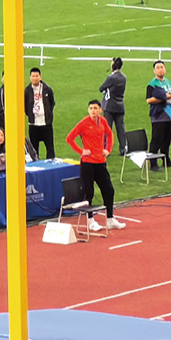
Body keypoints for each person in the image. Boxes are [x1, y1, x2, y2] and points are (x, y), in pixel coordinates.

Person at [66, 101, 126, 231]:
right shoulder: (83, 123)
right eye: (91, 108)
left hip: (100, 162)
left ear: (100, 110)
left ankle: (110, 218)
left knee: (109, 190)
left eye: (95, 108)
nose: (93, 111)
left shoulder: (102, 121)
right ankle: (90, 220)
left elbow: (109, 134)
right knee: (89, 192)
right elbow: (70, 138)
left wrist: (108, 149)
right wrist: (81, 151)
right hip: (87, 163)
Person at [146, 60, 171, 170]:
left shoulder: (169, 82)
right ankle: (153, 163)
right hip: (158, 116)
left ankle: (166, 160)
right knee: (157, 139)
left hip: (169, 115)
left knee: (167, 139)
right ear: (154, 71)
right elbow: (149, 100)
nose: (160, 69)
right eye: (158, 67)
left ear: (165, 69)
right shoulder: (152, 84)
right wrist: (164, 98)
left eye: (162, 67)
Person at [25, 67, 56, 160]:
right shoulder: (27, 91)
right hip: (33, 124)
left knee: (50, 147)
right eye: (33, 76)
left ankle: (51, 164)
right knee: (34, 149)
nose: (35, 78)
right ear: (30, 77)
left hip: (46, 123)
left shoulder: (47, 89)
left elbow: (52, 103)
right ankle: (36, 165)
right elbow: (25, 106)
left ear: (40, 77)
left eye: (36, 76)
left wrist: (48, 113)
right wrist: (30, 114)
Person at [99, 57, 127, 155]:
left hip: (110, 106)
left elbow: (101, 88)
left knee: (107, 129)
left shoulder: (111, 78)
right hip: (120, 106)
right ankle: (123, 149)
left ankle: (105, 149)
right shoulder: (123, 77)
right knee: (121, 129)